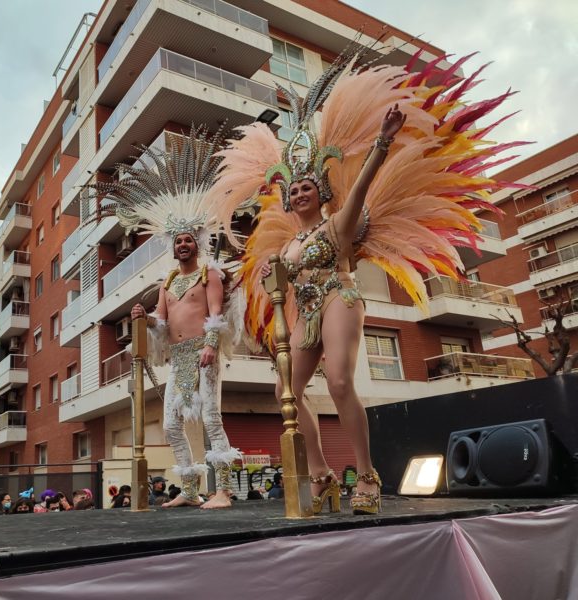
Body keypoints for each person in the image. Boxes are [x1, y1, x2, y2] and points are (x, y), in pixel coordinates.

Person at [210, 45, 521, 515]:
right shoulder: (288, 245)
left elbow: (359, 189)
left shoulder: (337, 224)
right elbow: (277, 284)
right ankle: (319, 474)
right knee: (284, 392)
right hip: (306, 309)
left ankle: (367, 476)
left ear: (321, 192)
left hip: (340, 296)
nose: (298, 194)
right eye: (292, 190)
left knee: (337, 382)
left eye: (306, 187)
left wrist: (381, 142)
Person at [96, 126, 243, 509]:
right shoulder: (169, 281)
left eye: (187, 240)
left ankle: (223, 491)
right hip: (177, 358)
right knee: (172, 426)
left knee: (211, 418)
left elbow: (215, 312)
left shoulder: (208, 272)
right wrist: (143, 319)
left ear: (196, 241)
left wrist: (211, 344)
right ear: (172, 245)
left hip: (202, 353)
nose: (182, 244)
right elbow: (161, 323)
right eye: (177, 241)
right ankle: (192, 492)